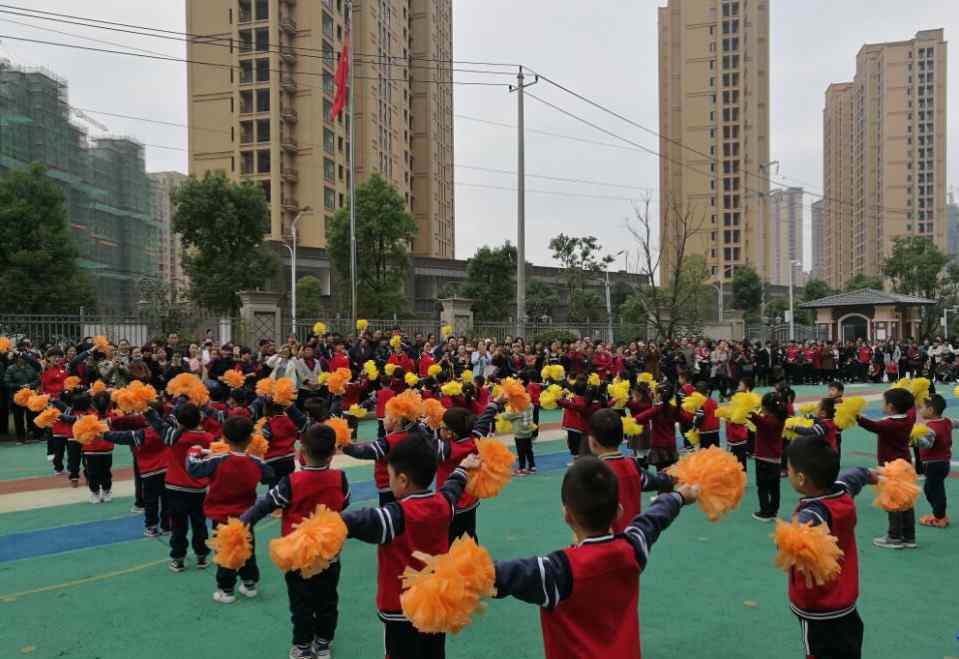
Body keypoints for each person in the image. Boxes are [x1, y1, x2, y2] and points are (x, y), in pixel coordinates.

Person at [492, 456, 698, 658]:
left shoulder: (557, 571)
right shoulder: (632, 549)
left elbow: (496, 575)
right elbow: (654, 519)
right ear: (619, 512)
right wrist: (678, 497)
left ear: (567, 515)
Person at [340, 434, 481, 659]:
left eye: (391, 477)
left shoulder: (396, 516)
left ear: (403, 480)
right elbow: (453, 489)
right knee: (433, 653)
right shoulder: (443, 505)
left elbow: (358, 522)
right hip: (436, 602)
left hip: (401, 609)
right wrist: (463, 468)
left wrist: (323, 526)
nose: (390, 481)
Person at [242, 423, 350, 659]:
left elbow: (265, 505)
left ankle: (302, 646)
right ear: (333, 453)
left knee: (301, 603)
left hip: (297, 556)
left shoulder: (290, 482)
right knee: (327, 600)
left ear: (301, 454)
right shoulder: (340, 479)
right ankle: (323, 643)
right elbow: (345, 504)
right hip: (329, 555)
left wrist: (244, 522)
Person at [783, 436, 873, 658]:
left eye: (789, 469)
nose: (788, 473)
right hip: (846, 603)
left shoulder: (813, 512)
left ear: (802, 478)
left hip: (817, 608)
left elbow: (802, 529)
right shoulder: (842, 492)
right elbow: (855, 476)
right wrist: (872, 475)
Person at [186, 416, 273, 604]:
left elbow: (193, 469)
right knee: (247, 548)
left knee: (225, 552)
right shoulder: (255, 463)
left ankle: (226, 590)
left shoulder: (218, 460)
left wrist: (193, 451)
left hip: (221, 516)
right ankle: (249, 583)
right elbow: (269, 475)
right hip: (247, 516)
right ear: (250, 439)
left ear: (224, 438)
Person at [146, 402, 214, 571]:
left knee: (178, 525)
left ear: (179, 421)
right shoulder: (207, 438)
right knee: (199, 524)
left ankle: (178, 558)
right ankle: (202, 556)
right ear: (199, 419)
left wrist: (146, 409)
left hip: (175, 488)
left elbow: (157, 423)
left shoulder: (173, 437)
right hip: (199, 489)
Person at [586, 408, 674, 533]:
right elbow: (653, 482)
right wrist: (670, 476)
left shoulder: (595, 472)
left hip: (607, 540)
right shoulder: (632, 464)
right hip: (633, 536)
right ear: (622, 437)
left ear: (593, 441)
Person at [856, 387, 916, 549]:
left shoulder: (889, 424)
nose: (882, 405)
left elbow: (872, 426)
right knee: (906, 502)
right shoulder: (908, 419)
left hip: (890, 467)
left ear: (890, 407)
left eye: (883, 402)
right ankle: (909, 537)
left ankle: (894, 537)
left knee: (893, 501)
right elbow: (912, 411)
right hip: (905, 465)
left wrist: (855, 416)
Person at [104, 402, 173, 536]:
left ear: (146, 418)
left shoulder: (141, 435)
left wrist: (102, 433)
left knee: (150, 501)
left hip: (149, 473)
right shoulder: (168, 429)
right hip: (167, 470)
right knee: (167, 500)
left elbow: (119, 437)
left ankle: (151, 527)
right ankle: (167, 526)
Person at [436, 401, 497, 542]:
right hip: (471, 501)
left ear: (450, 433)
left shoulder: (449, 450)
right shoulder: (474, 440)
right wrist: (494, 404)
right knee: (469, 536)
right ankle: (474, 559)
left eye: (442, 427)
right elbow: (483, 422)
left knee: (450, 541)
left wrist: (420, 425)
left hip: (452, 502)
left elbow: (420, 442)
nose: (439, 430)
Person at [749, 392, 787, 521]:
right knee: (775, 487)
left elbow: (752, 416)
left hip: (763, 459)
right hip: (776, 459)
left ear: (765, 407)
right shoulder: (779, 418)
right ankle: (773, 510)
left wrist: (746, 407)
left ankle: (765, 512)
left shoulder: (766, 421)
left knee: (763, 486)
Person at [915, 393, 951, 528]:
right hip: (943, 463)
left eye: (922, 408)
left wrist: (914, 439)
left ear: (930, 410)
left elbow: (927, 444)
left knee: (932, 491)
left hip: (933, 464)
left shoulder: (931, 428)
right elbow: (955, 423)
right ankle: (940, 515)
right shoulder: (946, 421)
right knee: (935, 489)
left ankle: (939, 518)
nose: (920, 410)